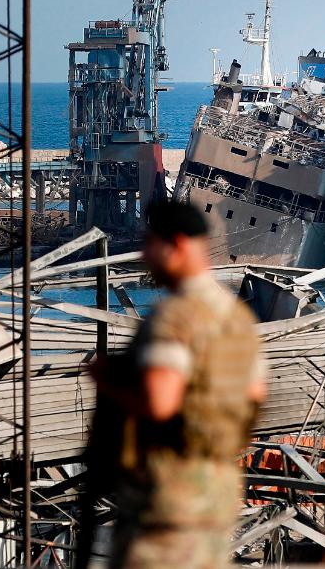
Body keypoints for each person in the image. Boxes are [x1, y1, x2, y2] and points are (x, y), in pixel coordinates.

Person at [92, 201, 267, 569]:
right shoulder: (237, 317)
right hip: (217, 490)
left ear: (177, 245)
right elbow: (255, 396)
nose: (144, 254)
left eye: (150, 243)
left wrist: (108, 381)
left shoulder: (176, 317)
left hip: (166, 492)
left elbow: (160, 402)